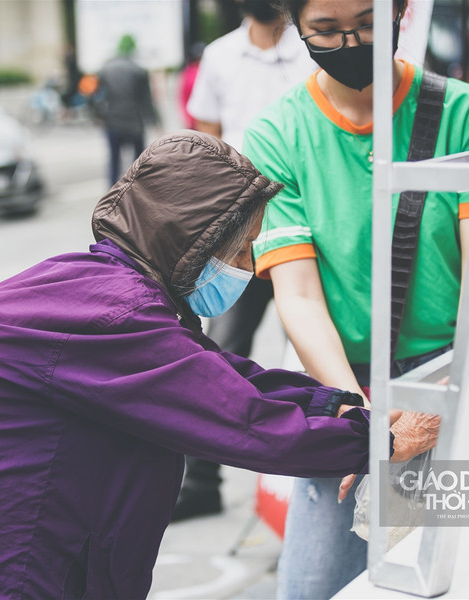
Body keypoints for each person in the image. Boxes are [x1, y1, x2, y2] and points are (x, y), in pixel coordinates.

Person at [0, 131, 438, 599]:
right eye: (241, 250)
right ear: (194, 241)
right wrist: (381, 442)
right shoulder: (117, 316)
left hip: (3, 552)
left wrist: (336, 403)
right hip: (17, 573)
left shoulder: (101, 289)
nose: (249, 270)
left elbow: (220, 374)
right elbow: (242, 420)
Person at [243, 0, 469, 597]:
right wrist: (359, 421)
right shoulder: (276, 134)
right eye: (326, 30)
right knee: (314, 585)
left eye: (367, 23)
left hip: (455, 378)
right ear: (295, 27)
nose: (351, 42)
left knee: (467, 576)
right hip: (343, 385)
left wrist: (445, 396)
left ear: (402, 11)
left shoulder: (465, 113)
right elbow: (301, 298)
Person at [172, 0, 318, 522]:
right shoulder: (219, 56)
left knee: (314, 346)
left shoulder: (311, 44)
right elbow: (205, 140)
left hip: (307, 227)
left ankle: (323, 467)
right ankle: (201, 482)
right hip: (241, 237)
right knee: (213, 353)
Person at [93, 34, 158, 185]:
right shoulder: (139, 71)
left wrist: (98, 115)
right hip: (134, 121)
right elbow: (146, 101)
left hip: (112, 121)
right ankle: (138, 189)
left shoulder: (105, 69)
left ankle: (111, 192)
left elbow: (97, 96)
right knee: (139, 161)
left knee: (114, 159)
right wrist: (153, 121)